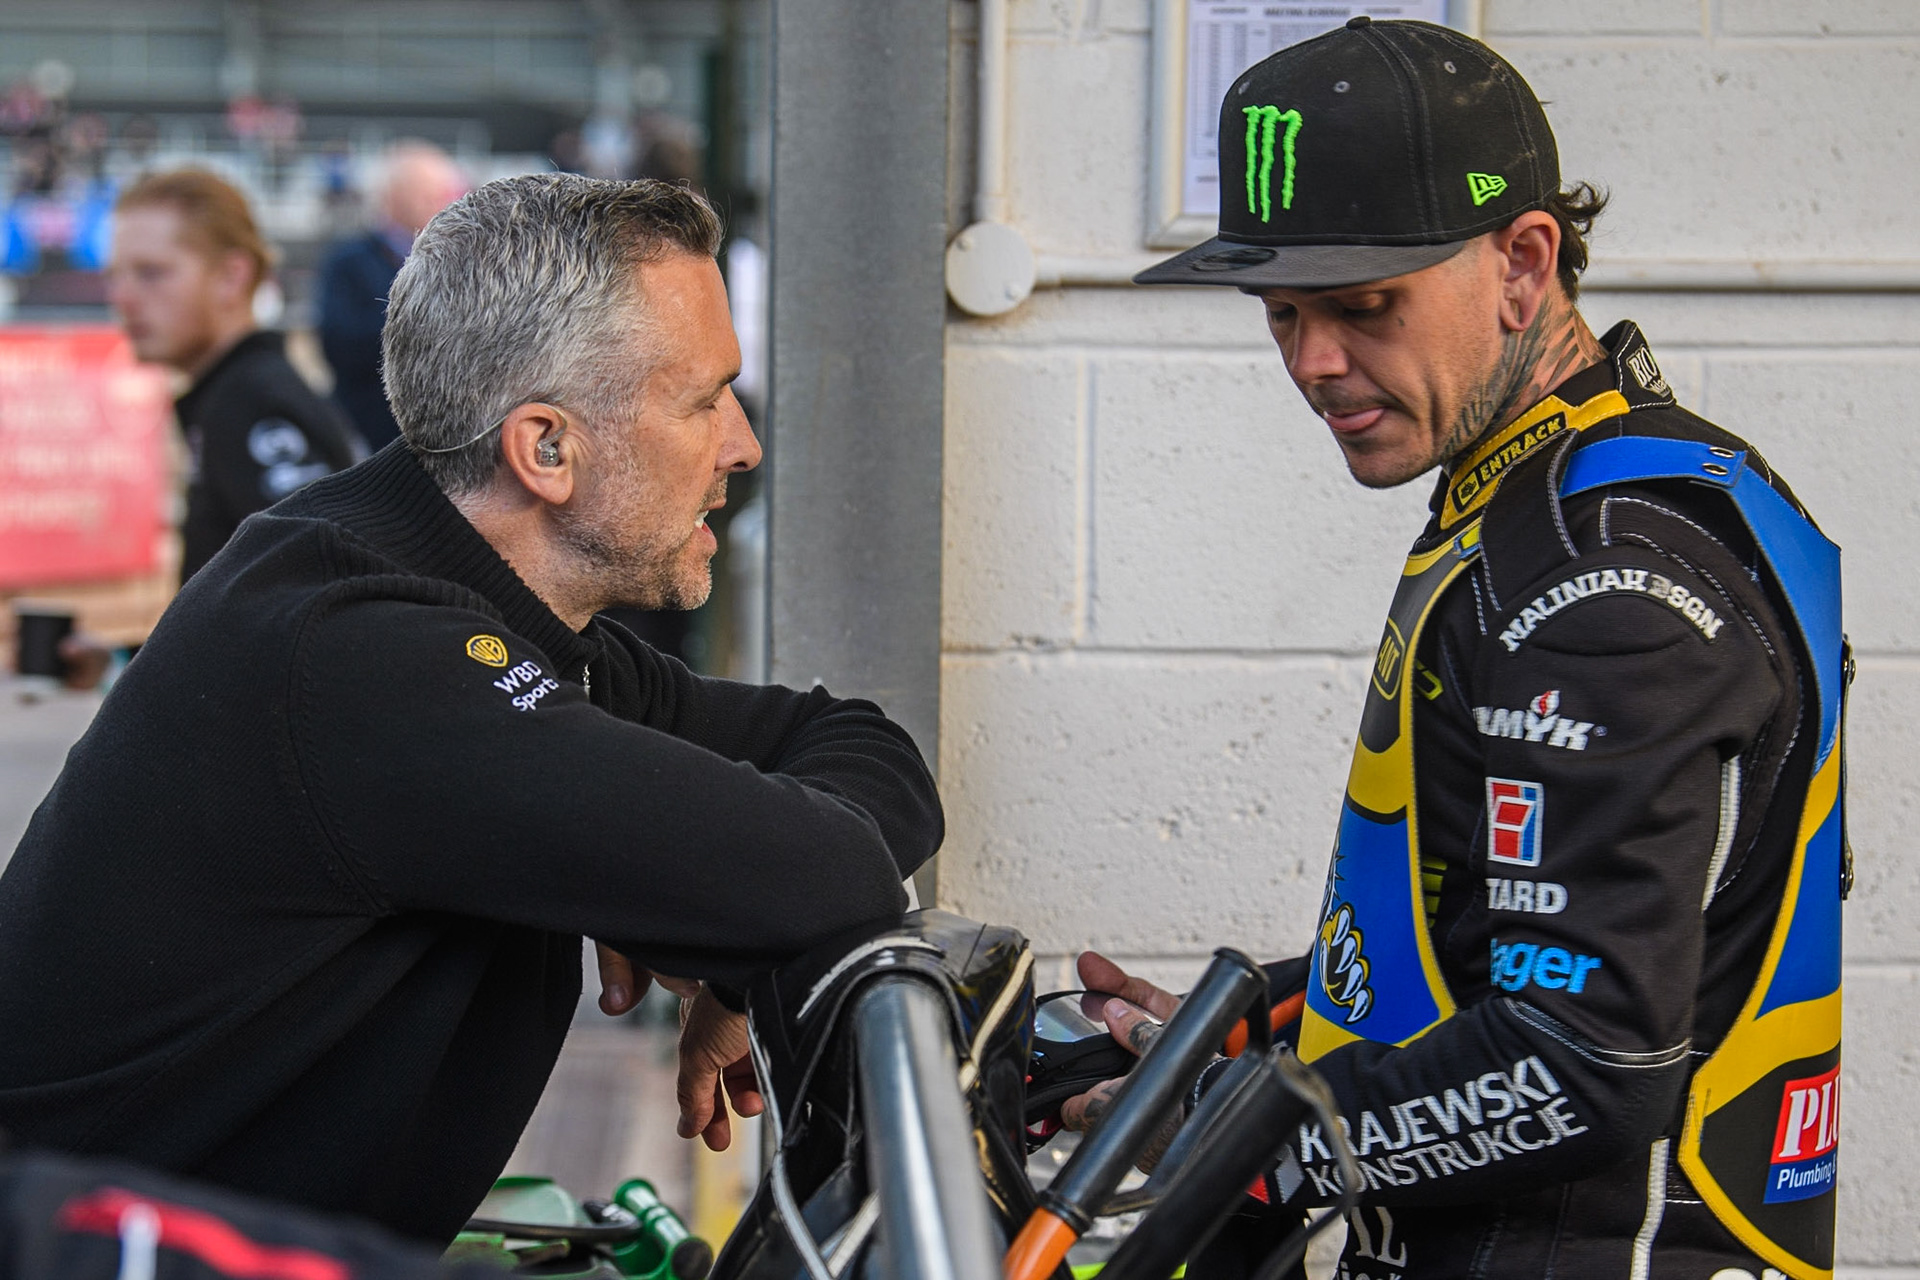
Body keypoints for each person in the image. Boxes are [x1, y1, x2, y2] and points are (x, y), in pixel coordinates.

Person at [0, 174, 942, 1246]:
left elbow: (867, 752)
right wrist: (732, 899)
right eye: (701, 400)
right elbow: (823, 871)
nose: (742, 444)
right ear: (545, 448)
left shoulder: (463, 594)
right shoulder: (363, 652)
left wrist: (728, 923)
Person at [1069, 19, 1845, 1279]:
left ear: (1522, 263)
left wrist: (1255, 1141)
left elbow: (1580, 1056)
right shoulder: (1618, 483)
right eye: (1283, 313)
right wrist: (1246, 1051)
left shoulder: (1599, 582)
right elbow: (1503, 936)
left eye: (1365, 306)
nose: (1315, 362)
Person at [106, 169, 365, 584]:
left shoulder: (252, 402)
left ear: (232, 276)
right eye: (114, 276)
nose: (122, 297)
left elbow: (322, 595)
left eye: (151, 273)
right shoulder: (236, 395)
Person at [316, 142, 466, 451]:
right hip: (371, 432)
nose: (442, 203)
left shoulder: (467, 263)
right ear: (392, 197)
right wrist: (432, 329)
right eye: (427, 192)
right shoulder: (350, 262)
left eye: (445, 193)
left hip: (446, 440)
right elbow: (339, 344)